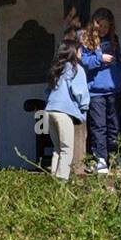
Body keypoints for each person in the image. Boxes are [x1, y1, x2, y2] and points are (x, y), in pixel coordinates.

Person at [80, 8, 121, 174]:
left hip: (113, 90)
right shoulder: (86, 41)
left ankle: (115, 158)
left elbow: (119, 61)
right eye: (100, 26)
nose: (103, 30)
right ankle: (100, 159)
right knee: (98, 126)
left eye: (106, 26)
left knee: (114, 126)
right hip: (95, 91)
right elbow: (84, 62)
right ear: (94, 25)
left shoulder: (114, 40)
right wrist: (100, 59)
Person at [44, 39, 90, 181]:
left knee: (57, 149)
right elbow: (80, 92)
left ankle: (54, 181)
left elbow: (47, 91)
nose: (81, 52)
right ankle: (62, 182)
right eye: (80, 50)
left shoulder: (56, 69)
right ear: (73, 52)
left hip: (49, 111)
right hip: (64, 113)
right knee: (66, 149)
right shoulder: (76, 69)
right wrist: (84, 108)